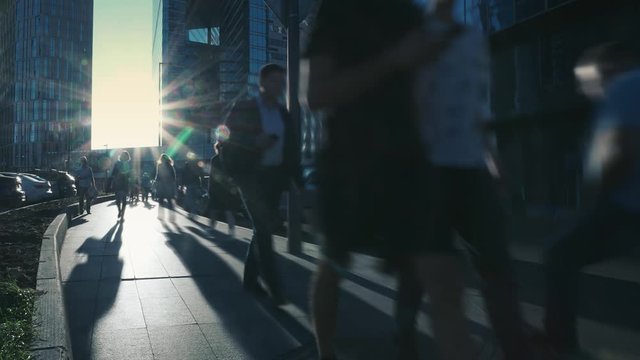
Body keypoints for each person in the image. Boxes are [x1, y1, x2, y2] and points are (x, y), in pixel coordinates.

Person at [301, 1, 470, 359]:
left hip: (411, 163)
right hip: (350, 163)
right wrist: (391, 61)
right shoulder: (335, 12)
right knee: (333, 264)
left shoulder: (410, 13)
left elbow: (426, 87)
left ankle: (408, 339)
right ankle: (325, 354)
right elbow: (315, 95)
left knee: (441, 275)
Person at [389, 1, 535, 359]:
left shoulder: (472, 37)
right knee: (421, 268)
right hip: (429, 171)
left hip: (471, 167)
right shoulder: (412, 36)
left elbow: (477, 105)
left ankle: (515, 347)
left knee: (496, 263)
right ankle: (404, 341)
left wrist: (492, 158)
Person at [542, 43, 640, 358]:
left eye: (586, 79)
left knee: (559, 255)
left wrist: (594, 198)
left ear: (607, 68)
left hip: (626, 206)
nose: (584, 89)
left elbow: (617, 154)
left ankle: (560, 345)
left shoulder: (623, 88)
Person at [221, 63, 301, 305]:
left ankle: (250, 279)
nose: (280, 86)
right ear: (262, 83)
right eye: (275, 81)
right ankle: (275, 289)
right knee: (265, 230)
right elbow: (228, 139)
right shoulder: (245, 107)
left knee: (262, 228)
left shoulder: (283, 113)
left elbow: (291, 148)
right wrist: (256, 142)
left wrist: (296, 179)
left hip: (273, 178)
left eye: (282, 81)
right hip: (250, 176)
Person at [208, 141, 239, 237]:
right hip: (228, 189)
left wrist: (210, 188)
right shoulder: (231, 159)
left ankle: (212, 229)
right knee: (229, 211)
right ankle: (231, 232)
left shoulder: (215, 159)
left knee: (214, 210)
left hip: (217, 189)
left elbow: (212, 175)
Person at [110, 151, 132, 221]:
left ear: (127, 157)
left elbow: (130, 175)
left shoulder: (128, 164)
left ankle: (122, 215)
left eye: (126, 156)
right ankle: (119, 211)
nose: (124, 157)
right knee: (118, 200)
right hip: (118, 183)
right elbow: (113, 173)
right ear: (121, 156)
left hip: (125, 184)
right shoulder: (117, 163)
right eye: (123, 155)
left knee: (124, 201)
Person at [155, 153, 177, 221]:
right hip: (169, 185)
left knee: (161, 200)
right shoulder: (170, 166)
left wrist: (156, 182)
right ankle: (172, 217)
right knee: (169, 200)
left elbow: (158, 175)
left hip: (162, 185)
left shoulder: (160, 166)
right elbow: (174, 176)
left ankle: (161, 216)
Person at [182, 153, 204, 219]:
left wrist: (182, 184)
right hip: (196, 183)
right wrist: (201, 183)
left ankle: (193, 212)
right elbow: (201, 174)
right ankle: (194, 211)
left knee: (190, 199)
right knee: (195, 198)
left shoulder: (187, 165)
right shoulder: (197, 164)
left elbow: (184, 175)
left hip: (189, 184)